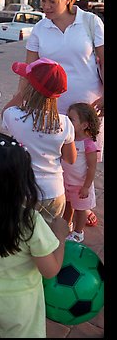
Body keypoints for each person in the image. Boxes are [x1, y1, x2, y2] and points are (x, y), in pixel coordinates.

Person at [4, 0, 104, 227]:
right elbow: (28, 69)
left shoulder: (91, 23)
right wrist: (20, 99)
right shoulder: (40, 28)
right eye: (42, 1)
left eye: (52, 1)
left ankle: (80, 206)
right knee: (55, 164)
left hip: (86, 111)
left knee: (81, 165)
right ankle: (63, 213)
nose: (46, 7)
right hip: (51, 109)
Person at [0, 132, 69, 338]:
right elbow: (50, 270)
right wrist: (60, 235)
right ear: (21, 179)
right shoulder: (30, 222)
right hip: (20, 304)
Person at [1, 58, 76, 222]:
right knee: (50, 241)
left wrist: (21, 93)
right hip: (54, 192)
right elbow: (70, 159)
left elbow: (5, 112)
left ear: (29, 87)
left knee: (22, 239)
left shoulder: (14, 116)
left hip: (23, 192)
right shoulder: (64, 123)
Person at [62, 103, 100, 243]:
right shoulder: (67, 138)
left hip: (80, 185)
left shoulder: (88, 144)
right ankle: (66, 227)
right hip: (66, 181)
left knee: (80, 210)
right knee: (67, 206)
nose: (67, 120)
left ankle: (78, 233)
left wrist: (86, 186)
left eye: (71, 119)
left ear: (84, 125)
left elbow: (92, 168)